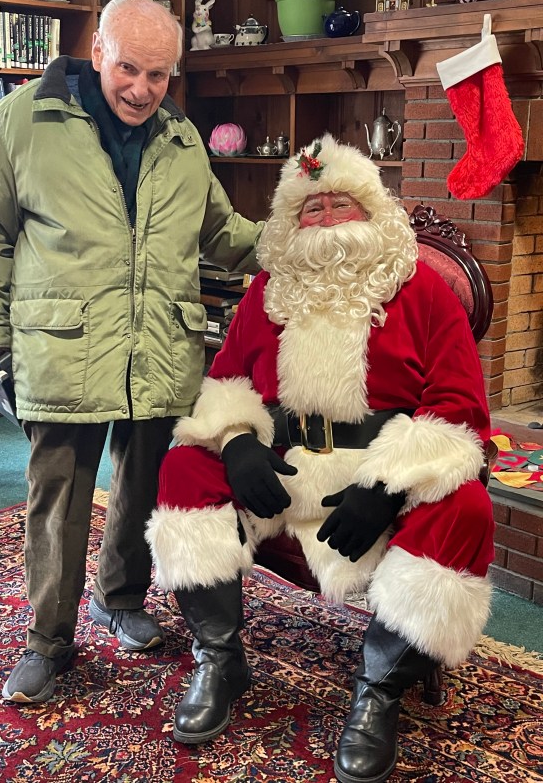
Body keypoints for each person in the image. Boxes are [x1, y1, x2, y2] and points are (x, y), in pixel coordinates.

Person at [145, 134, 495, 782]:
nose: (328, 219)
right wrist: (239, 441)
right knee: (182, 467)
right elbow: (225, 380)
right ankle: (220, 658)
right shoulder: (268, 290)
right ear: (293, 221)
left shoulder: (423, 291)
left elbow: (459, 410)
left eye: (341, 203)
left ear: (370, 211)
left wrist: (387, 486)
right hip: (282, 474)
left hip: (376, 478)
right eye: (313, 207)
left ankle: (378, 690)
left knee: (467, 507)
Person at [0, 0, 262, 705]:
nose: (142, 89)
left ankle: (119, 598)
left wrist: (302, 233)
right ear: (97, 51)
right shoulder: (24, 119)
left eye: (159, 75)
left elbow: (223, 233)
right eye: (129, 68)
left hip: (159, 342)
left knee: (143, 483)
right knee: (58, 493)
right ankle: (48, 640)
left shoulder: (182, 139)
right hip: (64, 343)